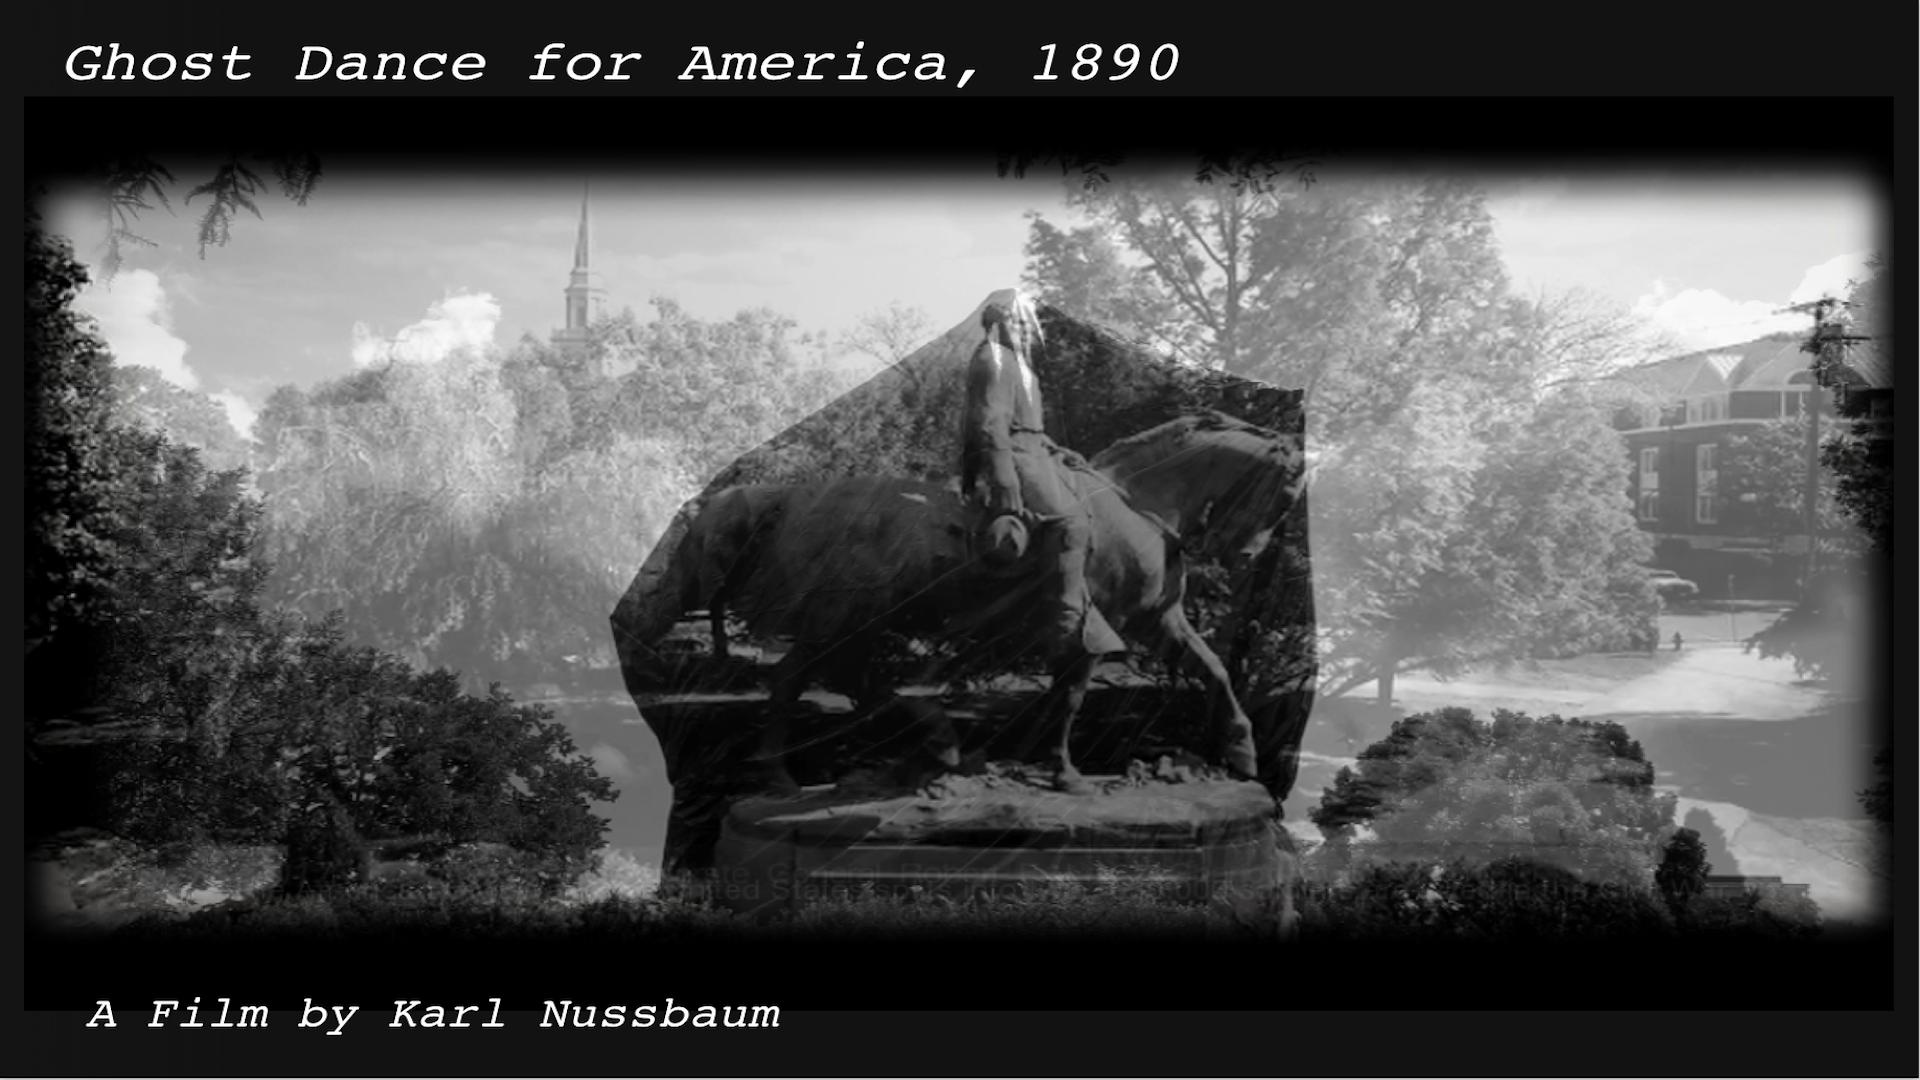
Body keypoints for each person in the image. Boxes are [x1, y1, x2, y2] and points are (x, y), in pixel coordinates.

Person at [959, 291, 1125, 659]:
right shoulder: (993, 358)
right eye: (1020, 324)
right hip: (1011, 458)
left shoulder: (1022, 369)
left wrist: (1060, 450)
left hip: (1035, 454)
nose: (1028, 332)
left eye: (1029, 325)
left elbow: (1029, 426)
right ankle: (1066, 625)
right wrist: (1005, 480)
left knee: (1094, 501)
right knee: (1070, 523)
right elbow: (990, 424)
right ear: (1000, 323)